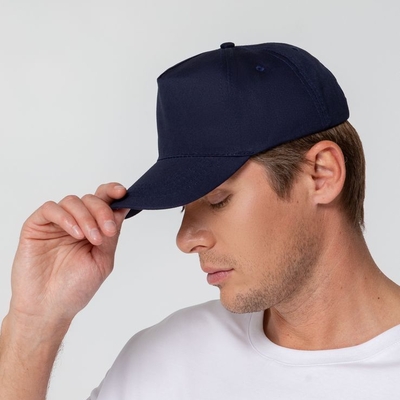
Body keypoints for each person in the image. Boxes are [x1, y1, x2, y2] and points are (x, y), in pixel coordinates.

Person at [1, 42, 400, 400]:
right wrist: (34, 323)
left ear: (321, 174)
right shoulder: (168, 360)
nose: (185, 239)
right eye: (183, 207)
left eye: (218, 200)